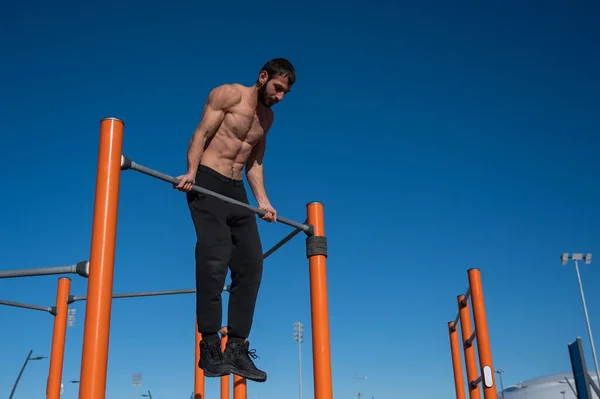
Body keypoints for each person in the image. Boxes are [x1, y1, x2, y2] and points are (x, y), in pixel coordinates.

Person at [173, 58, 295, 383]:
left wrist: (264, 202)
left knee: (252, 264)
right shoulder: (228, 95)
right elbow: (201, 133)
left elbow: (254, 161)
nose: (280, 97)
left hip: (237, 189)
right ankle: (210, 346)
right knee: (215, 257)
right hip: (208, 180)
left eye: (285, 93)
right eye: (277, 88)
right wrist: (191, 171)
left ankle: (237, 348)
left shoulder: (266, 118)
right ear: (263, 76)